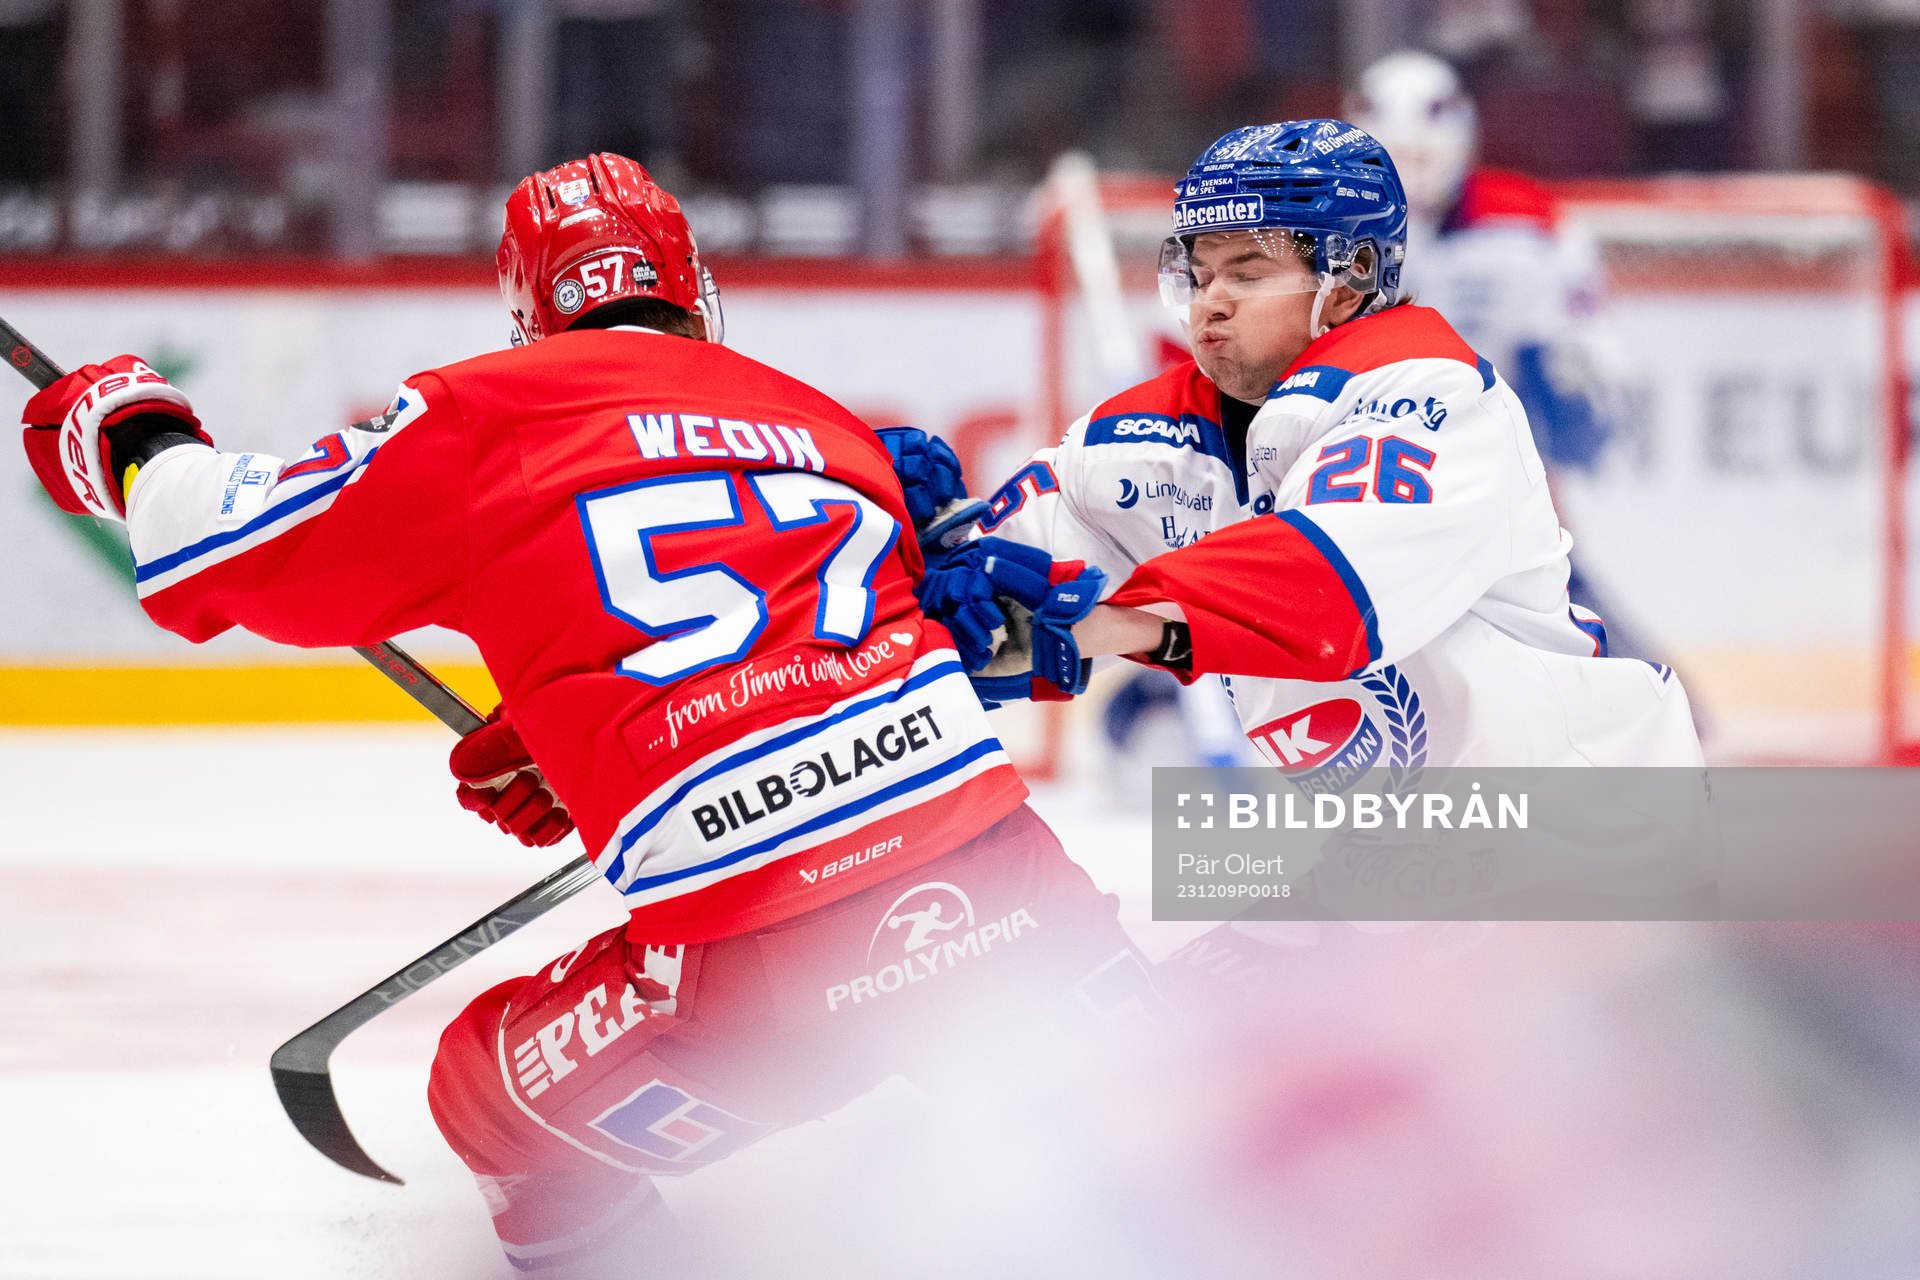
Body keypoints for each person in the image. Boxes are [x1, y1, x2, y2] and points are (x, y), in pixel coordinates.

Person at [19, 153, 1148, 1276]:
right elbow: (809, 642)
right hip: (1012, 888)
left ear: (527, 312)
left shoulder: (482, 414)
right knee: (1166, 1175)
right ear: (692, 286)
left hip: (761, 974)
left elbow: (220, 547)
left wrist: (133, 435)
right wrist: (578, 724)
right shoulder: (822, 419)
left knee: (480, 1091)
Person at [899, 119, 1707, 926]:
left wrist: (1105, 625)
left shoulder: (1438, 397)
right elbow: (986, 587)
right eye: (1199, 270)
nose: (1210, 302)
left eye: (1247, 272)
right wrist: (888, 538)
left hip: (1590, 852)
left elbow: (1322, 591)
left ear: (1350, 279)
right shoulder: (1144, 442)